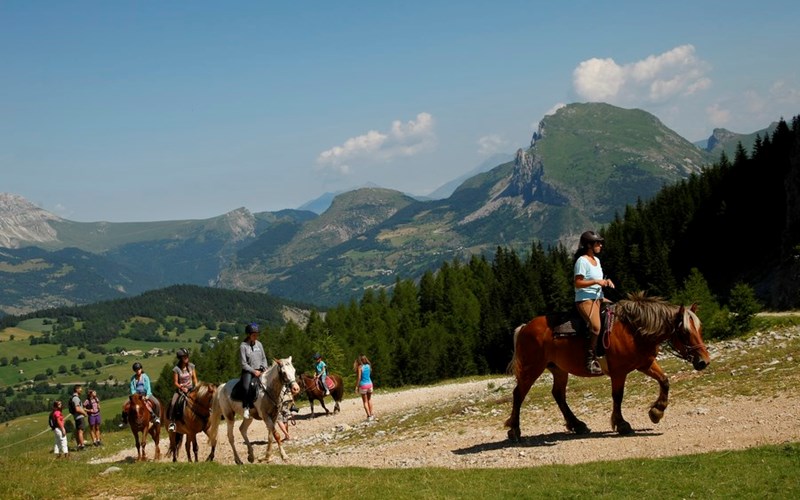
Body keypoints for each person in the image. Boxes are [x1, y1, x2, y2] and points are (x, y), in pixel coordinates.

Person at [573, 230, 615, 375]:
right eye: (597, 243)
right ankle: (590, 361)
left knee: (616, 312)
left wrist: (606, 281)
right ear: (589, 245)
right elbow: (578, 283)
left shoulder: (597, 261)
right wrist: (597, 281)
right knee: (596, 327)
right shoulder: (582, 261)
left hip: (599, 297)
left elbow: (598, 279)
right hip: (585, 299)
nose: (600, 245)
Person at [240, 322, 268, 420]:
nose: (256, 337)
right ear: (249, 335)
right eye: (254, 335)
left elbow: (264, 358)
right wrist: (253, 371)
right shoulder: (243, 346)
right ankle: (246, 407)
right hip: (249, 371)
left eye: (257, 334)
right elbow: (243, 364)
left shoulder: (259, 344)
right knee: (246, 387)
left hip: (261, 370)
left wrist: (264, 367)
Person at [167, 348, 198, 432]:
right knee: (173, 403)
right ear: (180, 358)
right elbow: (175, 382)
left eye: (187, 356)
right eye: (184, 356)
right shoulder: (176, 369)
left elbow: (194, 378)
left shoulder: (191, 366)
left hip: (191, 388)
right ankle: (172, 423)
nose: (187, 358)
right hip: (181, 390)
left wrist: (196, 386)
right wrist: (182, 388)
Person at [354, 355, 375, 421]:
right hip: (370, 384)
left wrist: (356, 386)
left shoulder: (360, 367)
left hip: (363, 385)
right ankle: (372, 414)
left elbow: (359, 377)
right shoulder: (368, 366)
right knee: (369, 400)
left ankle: (368, 416)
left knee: (365, 401)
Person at [69, 384, 88, 450]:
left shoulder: (73, 398)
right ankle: (82, 445)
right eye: (80, 388)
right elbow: (77, 409)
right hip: (79, 417)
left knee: (78, 431)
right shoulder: (76, 398)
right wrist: (84, 413)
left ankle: (79, 445)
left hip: (77, 417)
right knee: (80, 431)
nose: (81, 390)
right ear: (76, 389)